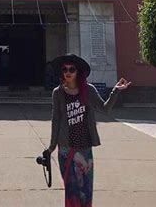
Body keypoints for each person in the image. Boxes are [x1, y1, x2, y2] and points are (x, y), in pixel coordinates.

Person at [48, 54, 131, 206]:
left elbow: (105, 109)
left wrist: (116, 91)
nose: (68, 72)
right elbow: (56, 120)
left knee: (85, 189)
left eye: (71, 69)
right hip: (66, 149)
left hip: (84, 147)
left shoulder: (88, 90)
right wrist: (51, 147)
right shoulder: (58, 93)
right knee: (71, 189)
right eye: (65, 69)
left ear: (77, 72)